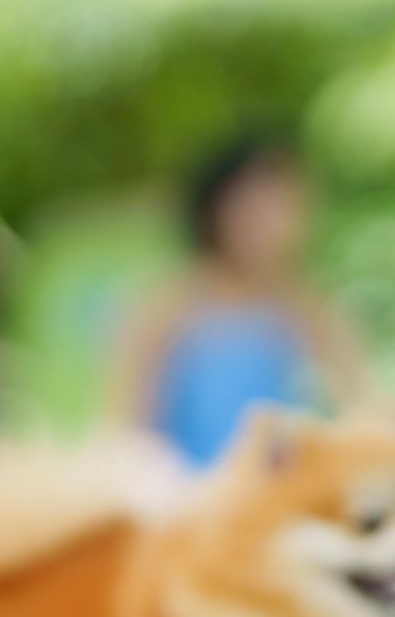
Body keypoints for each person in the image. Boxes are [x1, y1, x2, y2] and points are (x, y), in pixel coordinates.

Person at [110, 133, 374, 466]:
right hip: (185, 496)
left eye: (282, 204)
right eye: (253, 206)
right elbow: (128, 429)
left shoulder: (309, 307)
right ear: (217, 208)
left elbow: (363, 404)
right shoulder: (164, 306)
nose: (271, 222)